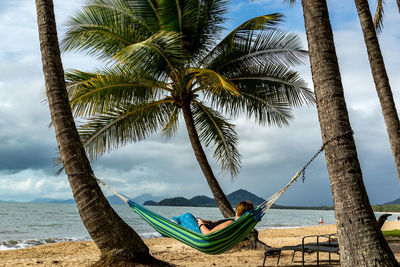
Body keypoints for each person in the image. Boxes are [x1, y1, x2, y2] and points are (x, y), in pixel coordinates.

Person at [171, 201, 254, 235]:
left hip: (200, 232)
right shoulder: (237, 222)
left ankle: (172, 223)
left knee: (187, 215)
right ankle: (173, 223)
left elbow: (208, 234)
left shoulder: (231, 223)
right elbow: (218, 224)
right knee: (185, 218)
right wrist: (209, 222)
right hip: (204, 227)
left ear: (237, 210)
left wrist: (200, 223)